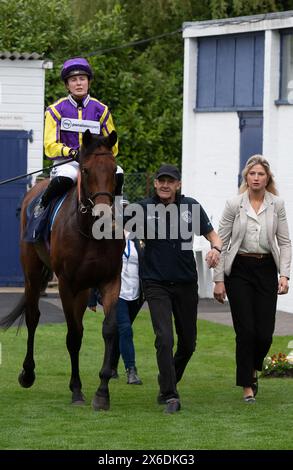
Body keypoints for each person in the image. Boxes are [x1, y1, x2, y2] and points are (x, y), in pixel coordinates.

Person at [133, 164, 222, 413]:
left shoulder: (191, 207)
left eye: (170, 181)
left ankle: (166, 381)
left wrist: (216, 249)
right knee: (164, 338)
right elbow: (115, 226)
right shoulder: (142, 208)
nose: (164, 185)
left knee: (188, 344)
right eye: (161, 180)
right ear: (154, 183)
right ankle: (171, 395)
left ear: (178, 184)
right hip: (155, 283)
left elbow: (214, 236)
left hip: (185, 284)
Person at [213, 155, 291, 403]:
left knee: (265, 334)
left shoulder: (276, 204)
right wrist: (218, 280)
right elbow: (220, 242)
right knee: (245, 331)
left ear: (267, 178)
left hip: (267, 268)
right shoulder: (234, 204)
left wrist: (285, 274)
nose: (256, 178)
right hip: (239, 271)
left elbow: (285, 242)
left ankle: (253, 367)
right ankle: (247, 384)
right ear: (246, 177)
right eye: (252, 174)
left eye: (261, 174)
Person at [34, 57, 123, 216]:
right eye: (73, 80)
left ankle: (118, 209)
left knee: (118, 172)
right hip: (67, 163)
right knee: (67, 177)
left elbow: (113, 146)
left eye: (82, 79)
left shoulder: (102, 110)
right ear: (67, 85)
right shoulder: (55, 110)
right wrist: (72, 153)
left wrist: (97, 155)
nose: (79, 83)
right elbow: (49, 145)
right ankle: (42, 208)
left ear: (88, 82)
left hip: (95, 163)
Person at [88, 200, 145, 385]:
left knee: (121, 332)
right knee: (125, 329)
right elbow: (96, 267)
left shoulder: (139, 239)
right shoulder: (108, 239)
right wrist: (91, 297)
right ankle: (131, 370)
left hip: (136, 294)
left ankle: (111, 366)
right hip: (115, 292)